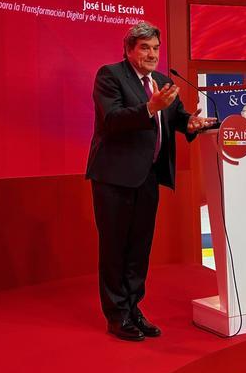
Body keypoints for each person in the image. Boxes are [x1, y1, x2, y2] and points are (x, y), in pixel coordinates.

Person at [86, 22, 216, 341]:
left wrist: (191, 123)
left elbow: (176, 117)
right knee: (116, 248)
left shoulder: (162, 81)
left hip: (148, 176)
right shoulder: (110, 75)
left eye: (156, 48)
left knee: (140, 248)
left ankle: (133, 308)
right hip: (114, 178)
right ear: (129, 50)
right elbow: (112, 120)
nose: (152, 54)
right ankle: (117, 315)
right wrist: (150, 107)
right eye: (144, 47)